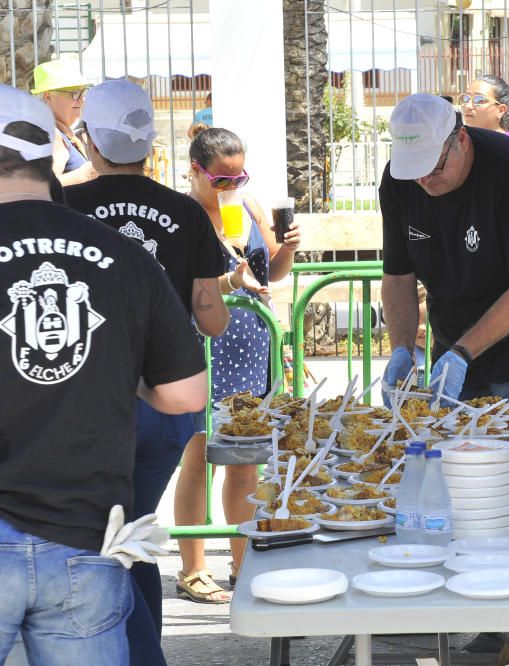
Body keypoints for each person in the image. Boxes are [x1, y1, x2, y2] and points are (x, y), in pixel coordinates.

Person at [0, 83, 207, 664]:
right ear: (49, 155)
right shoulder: (123, 254)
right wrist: (123, 371)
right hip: (85, 534)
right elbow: (186, 392)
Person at [62, 80, 230, 653]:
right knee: (127, 537)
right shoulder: (185, 210)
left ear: (89, 139)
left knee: (98, 543)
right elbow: (212, 322)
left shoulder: (62, 205)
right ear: (150, 145)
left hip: (86, 408)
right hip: (165, 406)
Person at [173, 126, 301, 603]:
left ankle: (243, 563)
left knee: (245, 462)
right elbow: (180, 286)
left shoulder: (247, 206)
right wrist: (231, 282)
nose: (231, 187)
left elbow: (271, 270)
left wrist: (286, 249)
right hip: (200, 343)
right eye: (221, 179)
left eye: (238, 177)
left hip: (249, 344)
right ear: (195, 171)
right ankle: (192, 569)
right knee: (199, 458)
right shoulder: (179, 213)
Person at [378, 93, 509, 403]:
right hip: (452, 344)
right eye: (415, 170)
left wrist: (462, 353)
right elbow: (398, 277)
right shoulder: (398, 181)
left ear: (462, 139)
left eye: (435, 167)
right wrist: (402, 349)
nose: (425, 179)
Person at [31, 58, 97, 186]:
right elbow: (43, 187)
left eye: (83, 92)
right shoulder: (52, 134)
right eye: (75, 93)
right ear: (48, 96)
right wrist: (83, 175)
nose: (82, 99)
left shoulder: (60, 132)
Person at [461, 75, 509, 144]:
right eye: (465, 98)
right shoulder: (465, 142)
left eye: (479, 100)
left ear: (501, 110)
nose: (468, 106)